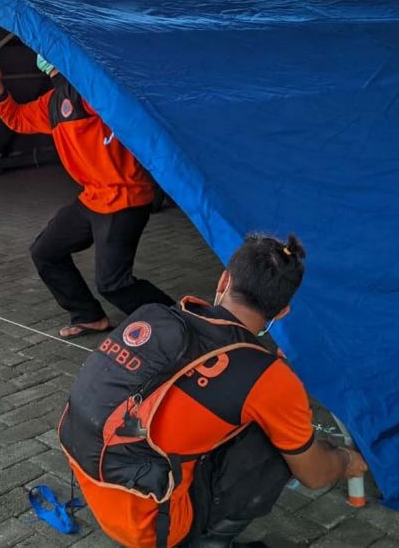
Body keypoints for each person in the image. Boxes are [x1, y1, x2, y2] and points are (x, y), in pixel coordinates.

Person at [58, 233, 368, 548]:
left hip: (95, 483)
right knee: (279, 441)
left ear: (224, 280)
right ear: (282, 312)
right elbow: (314, 475)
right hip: (155, 527)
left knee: (242, 413)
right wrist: (344, 460)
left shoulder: (152, 316)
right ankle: (207, 541)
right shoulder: (266, 375)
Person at [0, 56, 173, 339]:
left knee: (113, 284)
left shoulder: (90, 91)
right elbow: (18, 119)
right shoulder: (52, 102)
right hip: (93, 198)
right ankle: (89, 316)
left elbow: (129, 110)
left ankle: (179, 321)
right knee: (45, 251)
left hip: (124, 197)